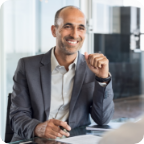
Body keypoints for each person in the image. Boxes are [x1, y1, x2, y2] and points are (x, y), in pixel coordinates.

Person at [10, 6, 114, 142]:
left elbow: (103, 119)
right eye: (68, 26)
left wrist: (102, 78)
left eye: (81, 28)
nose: (75, 34)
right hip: (35, 140)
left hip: (75, 140)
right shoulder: (27, 66)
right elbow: (17, 117)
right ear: (54, 30)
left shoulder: (92, 68)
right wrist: (38, 128)